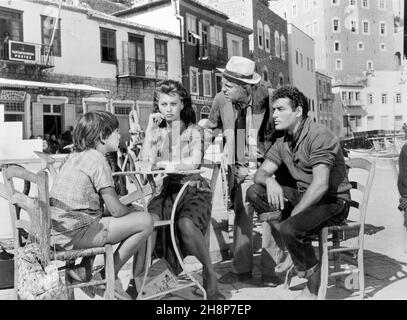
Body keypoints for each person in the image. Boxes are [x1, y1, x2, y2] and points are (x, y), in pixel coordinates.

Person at [246, 86, 352, 299]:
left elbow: (321, 185)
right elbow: (260, 174)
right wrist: (269, 180)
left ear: (298, 111)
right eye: (274, 109)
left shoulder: (319, 135)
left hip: (333, 202)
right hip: (306, 196)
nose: (274, 115)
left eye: (280, 109)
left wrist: (293, 218)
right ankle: (292, 248)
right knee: (255, 191)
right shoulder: (283, 140)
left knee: (291, 227)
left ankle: (313, 286)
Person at [199, 56, 293, 287]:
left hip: (270, 167)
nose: (224, 88)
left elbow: (284, 139)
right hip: (240, 167)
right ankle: (241, 271)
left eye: (229, 86)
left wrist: (269, 173)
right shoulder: (222, 99)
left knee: (271, 216)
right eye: (223, 83)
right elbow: (210, 128)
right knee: (242, 215)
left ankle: (271, 272)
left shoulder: (270, 101)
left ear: (246, 87)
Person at [49, 110, 153, 300]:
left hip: (59, 232)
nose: (120, 135)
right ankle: (106, 275)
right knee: (145, 221)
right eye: (116, 131)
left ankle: (83, 269)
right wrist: (132, 210)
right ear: (103, 137)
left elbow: (91, 205)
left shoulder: (74, 157)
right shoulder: (98, 160)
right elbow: (115, 209)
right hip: (75, 234)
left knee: (113, 219)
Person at [137, 80, 224, 300]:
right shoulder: (157, 133)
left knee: (185, 223)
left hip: (194, 189)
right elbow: (144, 162)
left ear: (182, 103)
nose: (168, 109)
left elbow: (194, 163)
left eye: (173, 104)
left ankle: (209, 273)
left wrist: (168, 165)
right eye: (163, 104)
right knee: (147, 222)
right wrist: (149, 130)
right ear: (157, 106)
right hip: (167, 191)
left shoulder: (195, 131)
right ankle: (148, 282)